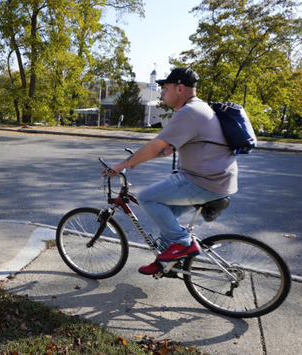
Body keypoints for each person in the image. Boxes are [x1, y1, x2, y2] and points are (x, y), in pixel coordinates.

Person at [102, 67, 238, 275]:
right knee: (167, 217)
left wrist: (119, 166)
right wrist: (134, 160)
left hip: (204, 181)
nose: (162, 93)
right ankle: (166, 263)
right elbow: (166, 150)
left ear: (180, 88)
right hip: (218, 181)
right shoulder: (198, 108)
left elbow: (155, 145)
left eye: (165, 88)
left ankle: (183, 244)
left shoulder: (189, 112)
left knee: (147, 198)